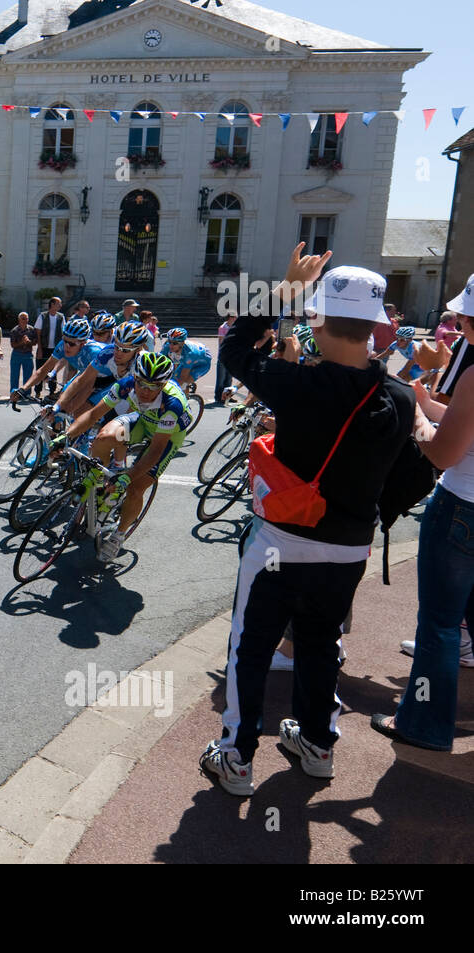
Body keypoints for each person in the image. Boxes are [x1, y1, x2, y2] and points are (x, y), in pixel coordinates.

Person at [199, 245, 415, 797]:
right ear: (377, 325)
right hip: (347, 549)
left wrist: (282, 293)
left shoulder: (298, 383)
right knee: (321, 644)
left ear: (315, 316)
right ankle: (318, 743)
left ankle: (236, 756)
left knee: (251, 645)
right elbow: (412, 476)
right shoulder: (397, 396)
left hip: (280, 541)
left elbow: (235, 347)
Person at [372, 369, 474, 750]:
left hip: (463, 509)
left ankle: (424, 724)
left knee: (440, 626)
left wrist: (417, 416)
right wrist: (429, 404)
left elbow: (442, 453)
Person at [52, 351, 191, 561]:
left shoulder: (172, 405)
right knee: (103, 438)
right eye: (141, 383)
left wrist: (129, 476)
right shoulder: (126, 385)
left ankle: (119, 534)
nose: (145, 391)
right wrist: (65, 436)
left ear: (163, 385)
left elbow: (155, 449)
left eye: (153, 387)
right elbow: (93, 414)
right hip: (142, 422)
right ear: (135, 377)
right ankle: (102, 479)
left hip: (167, 437)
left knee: (136, 487)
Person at [12, 317, 102, 402]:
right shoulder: (63, 345)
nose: (66, 346)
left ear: (83, 343)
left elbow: (89, 385)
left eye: (71, 344)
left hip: (105, 379)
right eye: (65, 340)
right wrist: (23, 389)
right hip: (85, 375)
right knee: (62, 398)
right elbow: (43, 370)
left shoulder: (93, 352)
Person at [9, 313, 37, 394]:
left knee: (28, 376)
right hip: (17, 354)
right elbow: (13, 345)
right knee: (14, 375)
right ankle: (14, 394)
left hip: (28, 355)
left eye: (26, 318)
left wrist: (29, 342)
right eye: (23, 319)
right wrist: (22, 342)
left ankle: (27, 394)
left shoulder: (31, 329)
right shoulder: (14, 330)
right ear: (19, 320)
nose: (25, 320)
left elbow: (35, 342)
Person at [216, 312, 237, 403]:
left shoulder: (235, 328)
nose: (236, 318)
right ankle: (219, 397)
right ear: (230, 317)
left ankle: (228, 396)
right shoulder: (222, 328)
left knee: (229, 378)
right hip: (224, 356)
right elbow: (221, 342)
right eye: (234, 317)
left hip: (232, 356)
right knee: (221, 378)